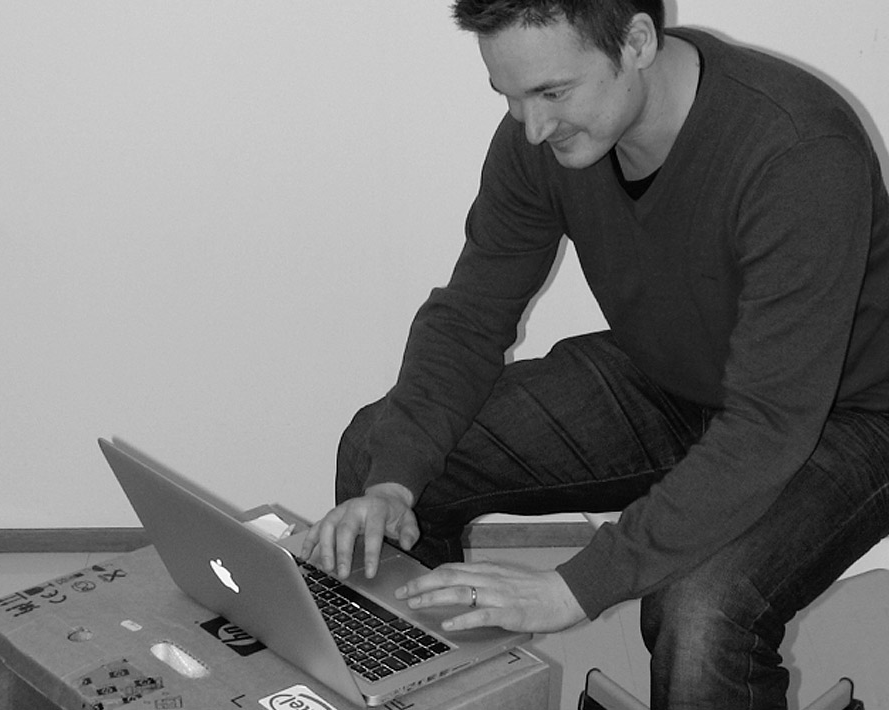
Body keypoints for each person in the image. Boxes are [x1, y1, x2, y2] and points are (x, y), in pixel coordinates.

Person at [300, 1, 889, 707]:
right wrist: (393, 483)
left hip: (846, 415)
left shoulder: (796, 150)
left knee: (699, 612)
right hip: (675, 376)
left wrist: (570, 590)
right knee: (379, 448)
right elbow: (471, 315)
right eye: (511, 97)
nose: (533, 126)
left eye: (553, 92)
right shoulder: (538, 139)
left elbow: (768, 425)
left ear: (637, 41)